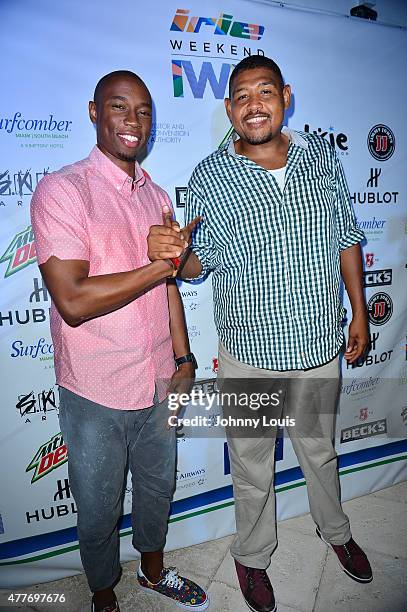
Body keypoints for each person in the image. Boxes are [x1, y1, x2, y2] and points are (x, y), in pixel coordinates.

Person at [147, 55, 373, 612]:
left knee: (319, 452)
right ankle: (252, 560)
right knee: (251, 467)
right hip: (248, 351)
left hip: (319, 344)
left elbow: (346, 235)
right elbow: (205, 265)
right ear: (229, 108)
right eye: (242, 95)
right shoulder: (209, 176)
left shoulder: (321, 157)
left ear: (285, 97)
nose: (254, 104)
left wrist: (360, 313)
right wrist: (180, 258)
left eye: (265, 92)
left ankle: (336, 533)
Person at [30, 70, 208, 612]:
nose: (133, 121)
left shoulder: (156, 195)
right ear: (93, 112)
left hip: (159, 379)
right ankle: (104, 594)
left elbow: (173, 284)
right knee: (99, 507)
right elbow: (75, 300)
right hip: (94, 386)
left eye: (144, 111)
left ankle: (153, 573)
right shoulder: (63, 190)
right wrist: (159, 268)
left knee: (158, 490)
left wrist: (184, 359)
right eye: (119, 107)